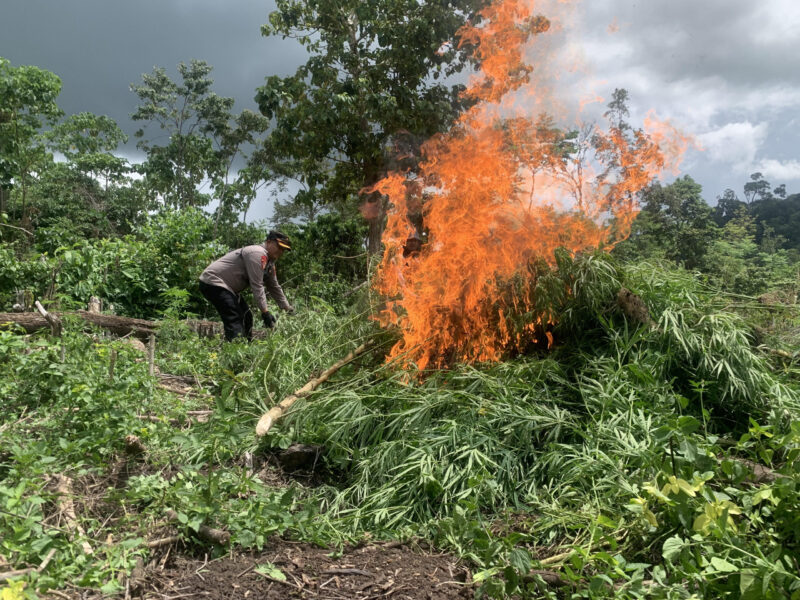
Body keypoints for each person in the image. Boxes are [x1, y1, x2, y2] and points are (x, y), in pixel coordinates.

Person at [199, 230, 294, 341]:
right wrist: (265, 312)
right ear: (269, 242)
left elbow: (274, 286)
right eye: (279, 247)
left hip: (228, 289)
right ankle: (235, 348)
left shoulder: (270, 263)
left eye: (284, 250)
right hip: (213, 282)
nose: (281, 251)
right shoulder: (258, 253)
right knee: (234, 317)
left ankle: (246, 348)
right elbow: (257, 285)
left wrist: (287, 308)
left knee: (246, 316)